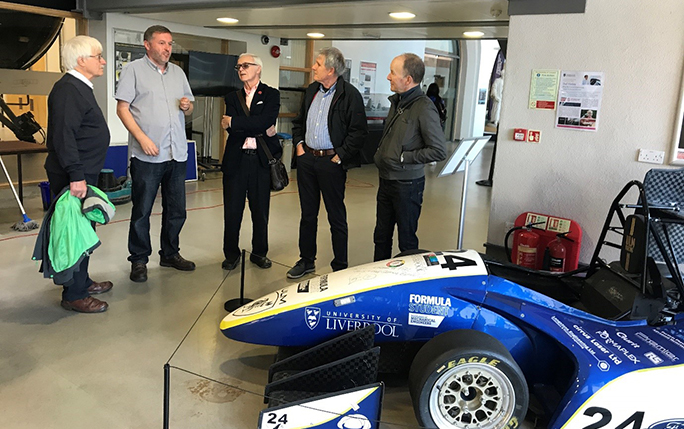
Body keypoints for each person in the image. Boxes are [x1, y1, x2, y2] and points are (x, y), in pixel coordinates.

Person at [115, 25, 195, 283]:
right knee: (142, 211)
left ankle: (170, 253)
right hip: (147, 155)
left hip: (176, 153)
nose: (167, 48)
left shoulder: (178, 73)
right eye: (162, 43)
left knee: (177, 210)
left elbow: (189, 106)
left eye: (170, 43)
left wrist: (187, 105)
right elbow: (123, 109)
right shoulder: (133, 71)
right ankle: (138, 260)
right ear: (147, 44)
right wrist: (142, 139)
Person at [44, 35, 112, 312]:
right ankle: (74, 295)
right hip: (75, 176)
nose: (104, 61)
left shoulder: (80, 87)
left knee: (84, 230)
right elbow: (63, 137)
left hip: (83, 172)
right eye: (98, 56)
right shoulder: (69, 90)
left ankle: (82, 280)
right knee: (74, 232)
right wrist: (76, 175)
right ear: (81, 60)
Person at [287, 47, 368, 279]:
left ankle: (340, 265)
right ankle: (306, 260)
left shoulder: (350, 95)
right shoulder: (312, 90)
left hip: (331, 163)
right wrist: (299, 145)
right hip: (307, 159)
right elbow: (298, 121)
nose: (313, 67)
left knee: (336, 215)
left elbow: (358, 132)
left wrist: (339, 155)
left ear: (331, 70)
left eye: (318, 64)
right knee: (307, 214)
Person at [373, 53, 447, 261]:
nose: (388, 77)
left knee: (406, 241)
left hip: (407, 185)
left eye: (392, 73)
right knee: (381, 236)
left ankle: (405, 283)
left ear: (408, 79)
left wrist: (405, 157)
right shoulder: (398, 103)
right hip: (386, 180)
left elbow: (439, 150)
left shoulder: (423, 107)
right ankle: (379, 279)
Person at [221, 54, 280, 270]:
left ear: (258, 69)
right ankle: (231, 254)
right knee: (232, 211)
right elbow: (258, 126)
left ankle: (259, 253)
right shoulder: (232, 97)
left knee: (260, 211)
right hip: (236, 161)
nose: (241, 69)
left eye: (246, 65)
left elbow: (264, 122)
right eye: (239, 66)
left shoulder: (272, 94)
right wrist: (253, 126)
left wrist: (235, 122)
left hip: (260, 162)